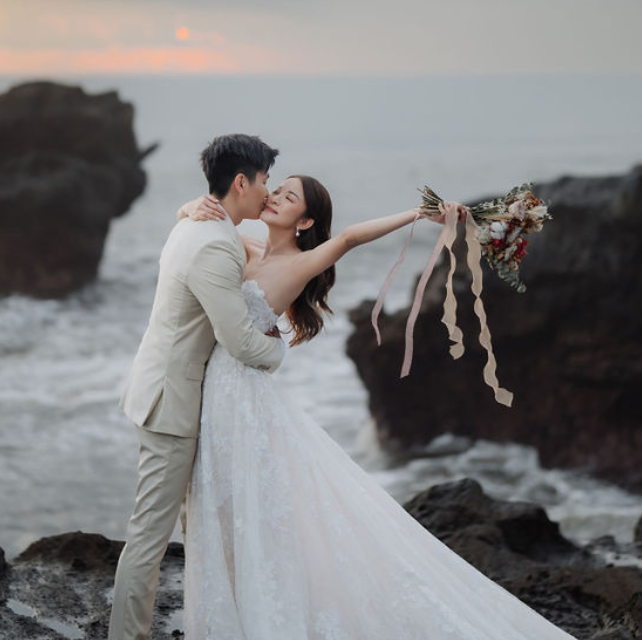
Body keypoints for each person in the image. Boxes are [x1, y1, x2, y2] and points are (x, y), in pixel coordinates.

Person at [175, 175, 578, 640]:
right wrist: (192, 206)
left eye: (290, 198)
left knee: (250, 500)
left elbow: (348, 237)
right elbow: (195, 227)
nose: (275, 197)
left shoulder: (305, 260)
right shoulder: (245, 247)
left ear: (305, 221)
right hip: (220, 390)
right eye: (278, 190)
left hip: (242, 394)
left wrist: (419, 214)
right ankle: (239, 600)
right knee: (225, 498)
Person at [109, 134, 289, 640]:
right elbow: (242, 343)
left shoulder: (195, 222)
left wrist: (187, 206)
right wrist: (283, 349)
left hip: (168, 391)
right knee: (148, 537)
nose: (268, 192)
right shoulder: (215, 244)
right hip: (172, 403)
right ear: (240, 182)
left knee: (193, 528)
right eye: (264, 181)